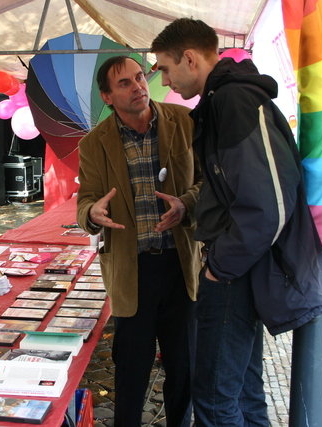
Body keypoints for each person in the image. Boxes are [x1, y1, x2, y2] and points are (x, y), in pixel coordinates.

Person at [151, 18, 322, 426]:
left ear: (189, 58)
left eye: (164, 68)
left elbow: (266, 205)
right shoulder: (224, 100)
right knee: (244, 393)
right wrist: (192, 210)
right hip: (240, 268)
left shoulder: (232, 102)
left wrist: (219, 268)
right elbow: (239, 192)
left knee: (216, 400)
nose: (164, 82)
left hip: (236, 272)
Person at [76, 55, 202, 427]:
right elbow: (86, 199)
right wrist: (92, 213)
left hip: (180, 266)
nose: (138, 87)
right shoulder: (93, 144)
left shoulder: (184, 121)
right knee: (131, 370)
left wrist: (186, 204)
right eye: (124, 84)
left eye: (139, 78)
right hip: (132, 271)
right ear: (108, 97)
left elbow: (207, 181)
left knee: (184, 367)